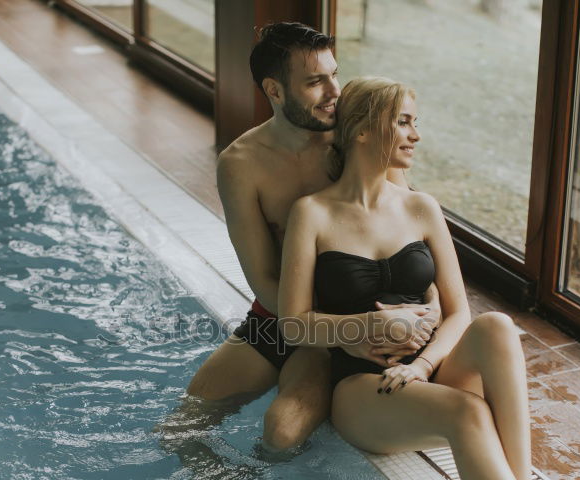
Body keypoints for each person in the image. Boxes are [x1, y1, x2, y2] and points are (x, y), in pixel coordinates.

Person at [277, 76, 580, 480]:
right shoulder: (313, 213)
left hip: (424, 372)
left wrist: (424, 364)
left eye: (414, 122)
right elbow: (292, 324)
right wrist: (363, 327)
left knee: (496, 326)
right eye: (403, 121)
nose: (415, 135)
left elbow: (459, 313)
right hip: (359, 387)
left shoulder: (421, 207)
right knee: (468, 413)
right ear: (361, 130)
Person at [181, 22, 438, 452]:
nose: (335, 91)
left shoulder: (360, 138)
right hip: (284, 319)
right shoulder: (241, 163)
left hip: (363, 309)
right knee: (182, 427)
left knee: (283, 430)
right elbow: (263, 276)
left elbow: (407, 239)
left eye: (334, 74)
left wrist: (427, 307)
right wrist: (344, 331)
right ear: (275, 91)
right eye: (316, 81)